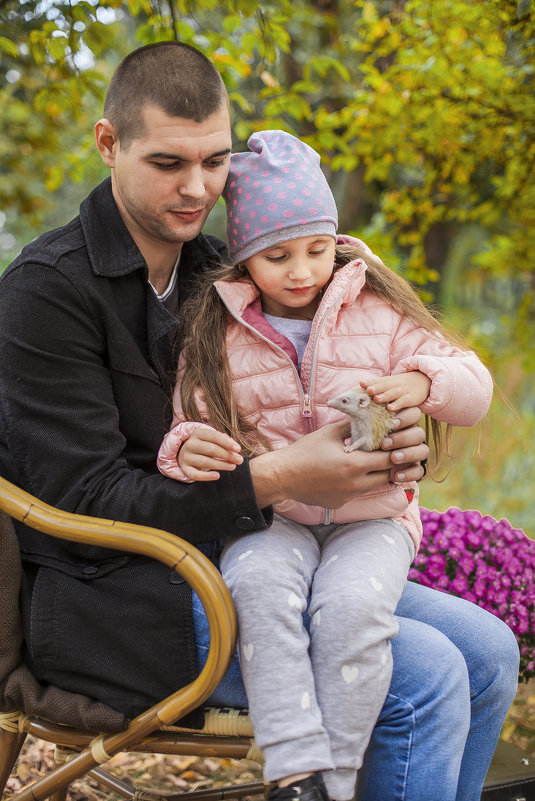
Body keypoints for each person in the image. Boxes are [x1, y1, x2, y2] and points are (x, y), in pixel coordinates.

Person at [0, 42, 518, 801]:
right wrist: (279, 475)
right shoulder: (45, 293)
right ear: (108, 143)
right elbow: (85, 498)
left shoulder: (228, 270)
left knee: (486, 651)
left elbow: (329, 369)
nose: (198, 186)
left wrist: (388, 427)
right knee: (427, 675)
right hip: (120, 594)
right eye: (169, 163)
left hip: (262, 554)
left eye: (215, 162)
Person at [157, 129, 496, 801]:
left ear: (335, 241)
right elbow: (187, 419)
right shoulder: (219, 331)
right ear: (246, 259)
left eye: (316, 248)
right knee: (256, 587)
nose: (302, 270)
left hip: (368, 521)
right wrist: (184, 446)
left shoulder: (375, 309)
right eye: (276, 256)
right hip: (274, 516)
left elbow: (473, 385)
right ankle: (292, 768)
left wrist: (425, 383)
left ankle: (332, 783)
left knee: (348, 607)